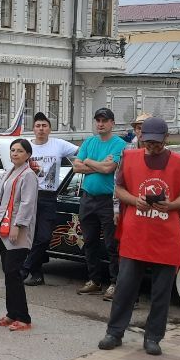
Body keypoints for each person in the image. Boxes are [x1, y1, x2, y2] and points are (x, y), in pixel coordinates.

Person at [99, 117, 180, 356]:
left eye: (157, 143)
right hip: (136, 233)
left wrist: (171, 205)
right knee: (125, 287)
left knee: (161, 291)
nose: (152, 147)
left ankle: (153, 337)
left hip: (165, 235)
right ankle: (114, 332)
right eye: (148, 142)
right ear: (140, 137)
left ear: (166, 139)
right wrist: (134, 200)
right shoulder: (129, 158)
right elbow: (118, 189)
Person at [72, 107, 126, 297]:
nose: (100, 124)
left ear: (112, 123)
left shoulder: (119, 144)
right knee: (90, 241)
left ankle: (115, 282)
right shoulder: (89, 141)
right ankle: (94, 280)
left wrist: (88, 161)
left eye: (104, 121)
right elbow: (76, 168)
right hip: (87, 198)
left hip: (108, 201)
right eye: (98, 121)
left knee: (112, 244)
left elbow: (109, 168)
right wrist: (98, 164)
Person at [22, 113, 78, 286]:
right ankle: (37, 274)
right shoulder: (26, 146)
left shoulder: (59, 144)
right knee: (30, 237)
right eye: (38, 126)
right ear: (33, 129)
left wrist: (86, 162)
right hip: (29, 195)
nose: (41, 129)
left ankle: (25, 268)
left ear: (49, 129)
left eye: (44, 126)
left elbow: (82, 151)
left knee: (44, 237)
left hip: (49, 196)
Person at [0, 138, 38, 330]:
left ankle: (24, 318)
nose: (15, 153)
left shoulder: (29, 175)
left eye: (19, 151)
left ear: (28, 154)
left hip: (16, 231)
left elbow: (27, 203)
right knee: (8, 274)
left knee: (14, 273)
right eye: (12, 150)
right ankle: (12, 313)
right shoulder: (10, 172)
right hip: (4, 230)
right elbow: (1, 201)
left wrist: (18, 225)